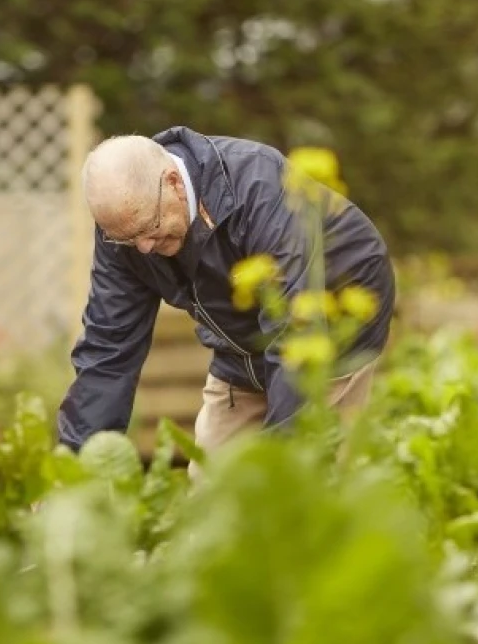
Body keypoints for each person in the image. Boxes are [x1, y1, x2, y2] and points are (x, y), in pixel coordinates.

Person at [56, 127, 396, 476]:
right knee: (211, 495)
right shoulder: (125, 229)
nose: (143, 248)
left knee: (306, 481)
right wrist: (71, 474)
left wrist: (280, 469)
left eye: (150, 227)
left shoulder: (259, 187)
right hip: (240, 345)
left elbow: (294, 331)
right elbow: (108, 351)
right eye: (129, 239)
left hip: (330, 324)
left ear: (173, 182)